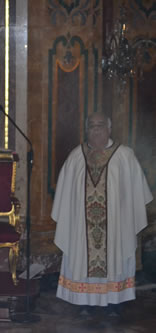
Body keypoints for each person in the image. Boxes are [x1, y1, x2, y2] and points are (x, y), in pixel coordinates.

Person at [52, 112, 153, 315]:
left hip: (115, 227)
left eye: (100, 125)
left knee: (116, 256)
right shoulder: (75, 156)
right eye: (92, 126)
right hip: (82, 228)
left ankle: (114, 301)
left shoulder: (125, 155)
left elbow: (135, 195)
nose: (96, 130)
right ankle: (84, 302)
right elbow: (65, 197)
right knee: (81, 255)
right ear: (86, 130)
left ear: (109, 128)